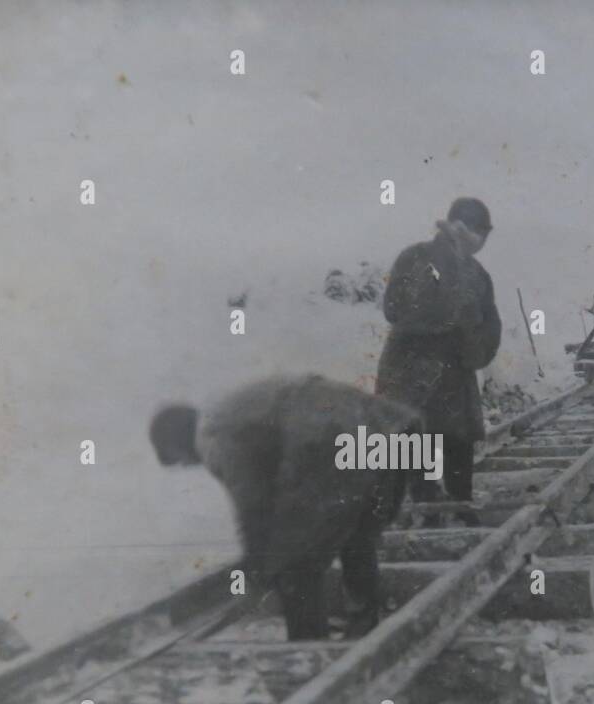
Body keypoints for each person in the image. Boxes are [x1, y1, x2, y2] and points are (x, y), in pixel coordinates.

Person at [149, 374, 420, 639]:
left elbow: (252, 502)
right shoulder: (231, 413)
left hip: (326, 436)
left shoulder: (211, 434)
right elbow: (270, 496)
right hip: (385, 429)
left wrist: (258, 565)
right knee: (357, 535)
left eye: (181, 461)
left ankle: (307, 647)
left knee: (294, 564)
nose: (192, 466)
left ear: (179, 444)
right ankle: (364, 626)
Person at [377, 197, 501, 517]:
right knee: (420, 463)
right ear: (457, 227)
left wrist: (473, 347)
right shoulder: (416, 257)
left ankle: (460, 522)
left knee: (458, 462)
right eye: (477, 232)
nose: (481, 241)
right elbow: (395, 308)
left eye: (485, 236)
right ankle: (424, 525)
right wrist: (451, 317)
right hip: (411, 376)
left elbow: (490, 327)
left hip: (455, 377)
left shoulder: (478, 274)